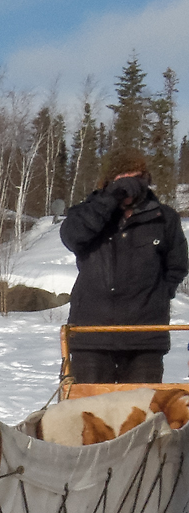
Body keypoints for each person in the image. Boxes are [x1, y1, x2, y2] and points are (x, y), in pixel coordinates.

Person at [60, 149, 187, 384]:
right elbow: (72, 237)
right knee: (86, 412)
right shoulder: (86, 213)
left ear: (146, 179)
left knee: (142, 414)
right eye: (122, 179)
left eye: (136, 178)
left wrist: (158, 296)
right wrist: (109, 200)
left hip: (144, 338)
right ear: (109, 182)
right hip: (91, 336)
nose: (130, 186)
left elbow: (177, 266)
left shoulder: (164, 218)